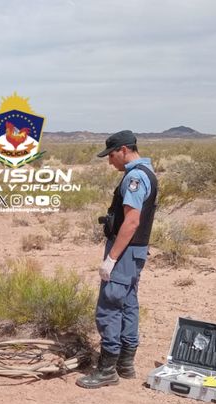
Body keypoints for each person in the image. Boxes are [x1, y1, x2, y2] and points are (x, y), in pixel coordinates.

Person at [77, 130, 158, 389]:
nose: (109, 161)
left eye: (111, 155)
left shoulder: (134, 177)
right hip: (136, 251)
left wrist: (111, 259)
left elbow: (132, 221)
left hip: (124, 252)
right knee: (128, 303)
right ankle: (125, 362)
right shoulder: (148, 172)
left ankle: (107, 369)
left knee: (110, 305)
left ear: (124, 150)